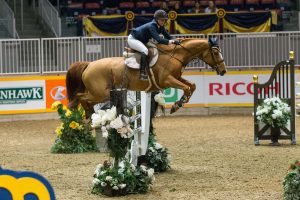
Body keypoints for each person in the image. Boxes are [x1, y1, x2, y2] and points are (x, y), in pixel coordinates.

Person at [127, 10, 180, 81]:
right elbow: (158, 39)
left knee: (157, 48)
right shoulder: (152, 26)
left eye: (164, 20)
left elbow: (168, 36)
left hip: (143, 40)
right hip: (133, 39)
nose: (163, 21)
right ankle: (142, 73)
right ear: (156, 19)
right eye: (161, 20)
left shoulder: (160, 26)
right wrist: (173, 41)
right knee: (145, 51)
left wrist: (177, 40)